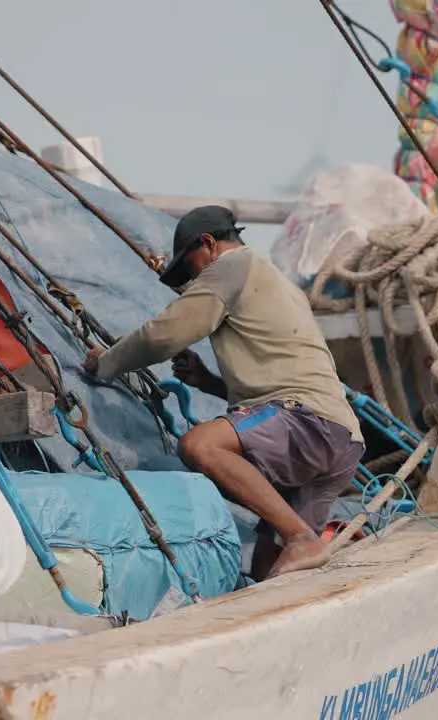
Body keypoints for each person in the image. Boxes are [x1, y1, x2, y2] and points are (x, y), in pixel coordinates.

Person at [82, 205, 364, 578]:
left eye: (191, 267)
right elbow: (279, 371)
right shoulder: (276, 281)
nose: (194, 278)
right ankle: (296, 557)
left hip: (304, 420)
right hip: (341, 437)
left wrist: (106, 362)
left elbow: (163, 335)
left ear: (209, 244)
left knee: (200, 445)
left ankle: (300, 536)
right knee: (271, 568)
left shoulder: (230, 268)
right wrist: (208, 381)